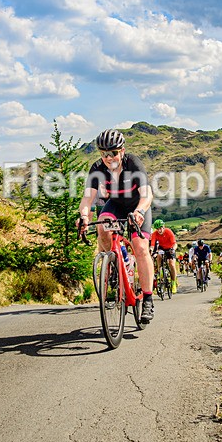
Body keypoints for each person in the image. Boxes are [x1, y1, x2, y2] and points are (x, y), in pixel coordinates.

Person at [77, 129, 156, 322]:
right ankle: (112, 264)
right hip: (117, 205)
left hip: (137, 207)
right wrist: (84, 217)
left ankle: (147, 299)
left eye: (113, 153)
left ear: (122, 151)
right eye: (104, 153)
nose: (108, 157)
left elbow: (147, 194)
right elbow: (88, 199)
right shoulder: (97, 169)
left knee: (140, 247)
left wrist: (140, 212)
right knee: (102, 226)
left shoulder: (133, 164)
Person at [150, 219, 179, 293]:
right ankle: (160, 270)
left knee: (171, 264)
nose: (159, 230)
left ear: (163, 227)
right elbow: (152, 244)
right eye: (157, 229)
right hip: (162, 248)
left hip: (170, 248)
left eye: (160, 228)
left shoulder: (168, 231)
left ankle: (173, 283)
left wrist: (173, 249)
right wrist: (150, 250)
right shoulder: (155, 234)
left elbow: (174, 244)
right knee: (159, 255)